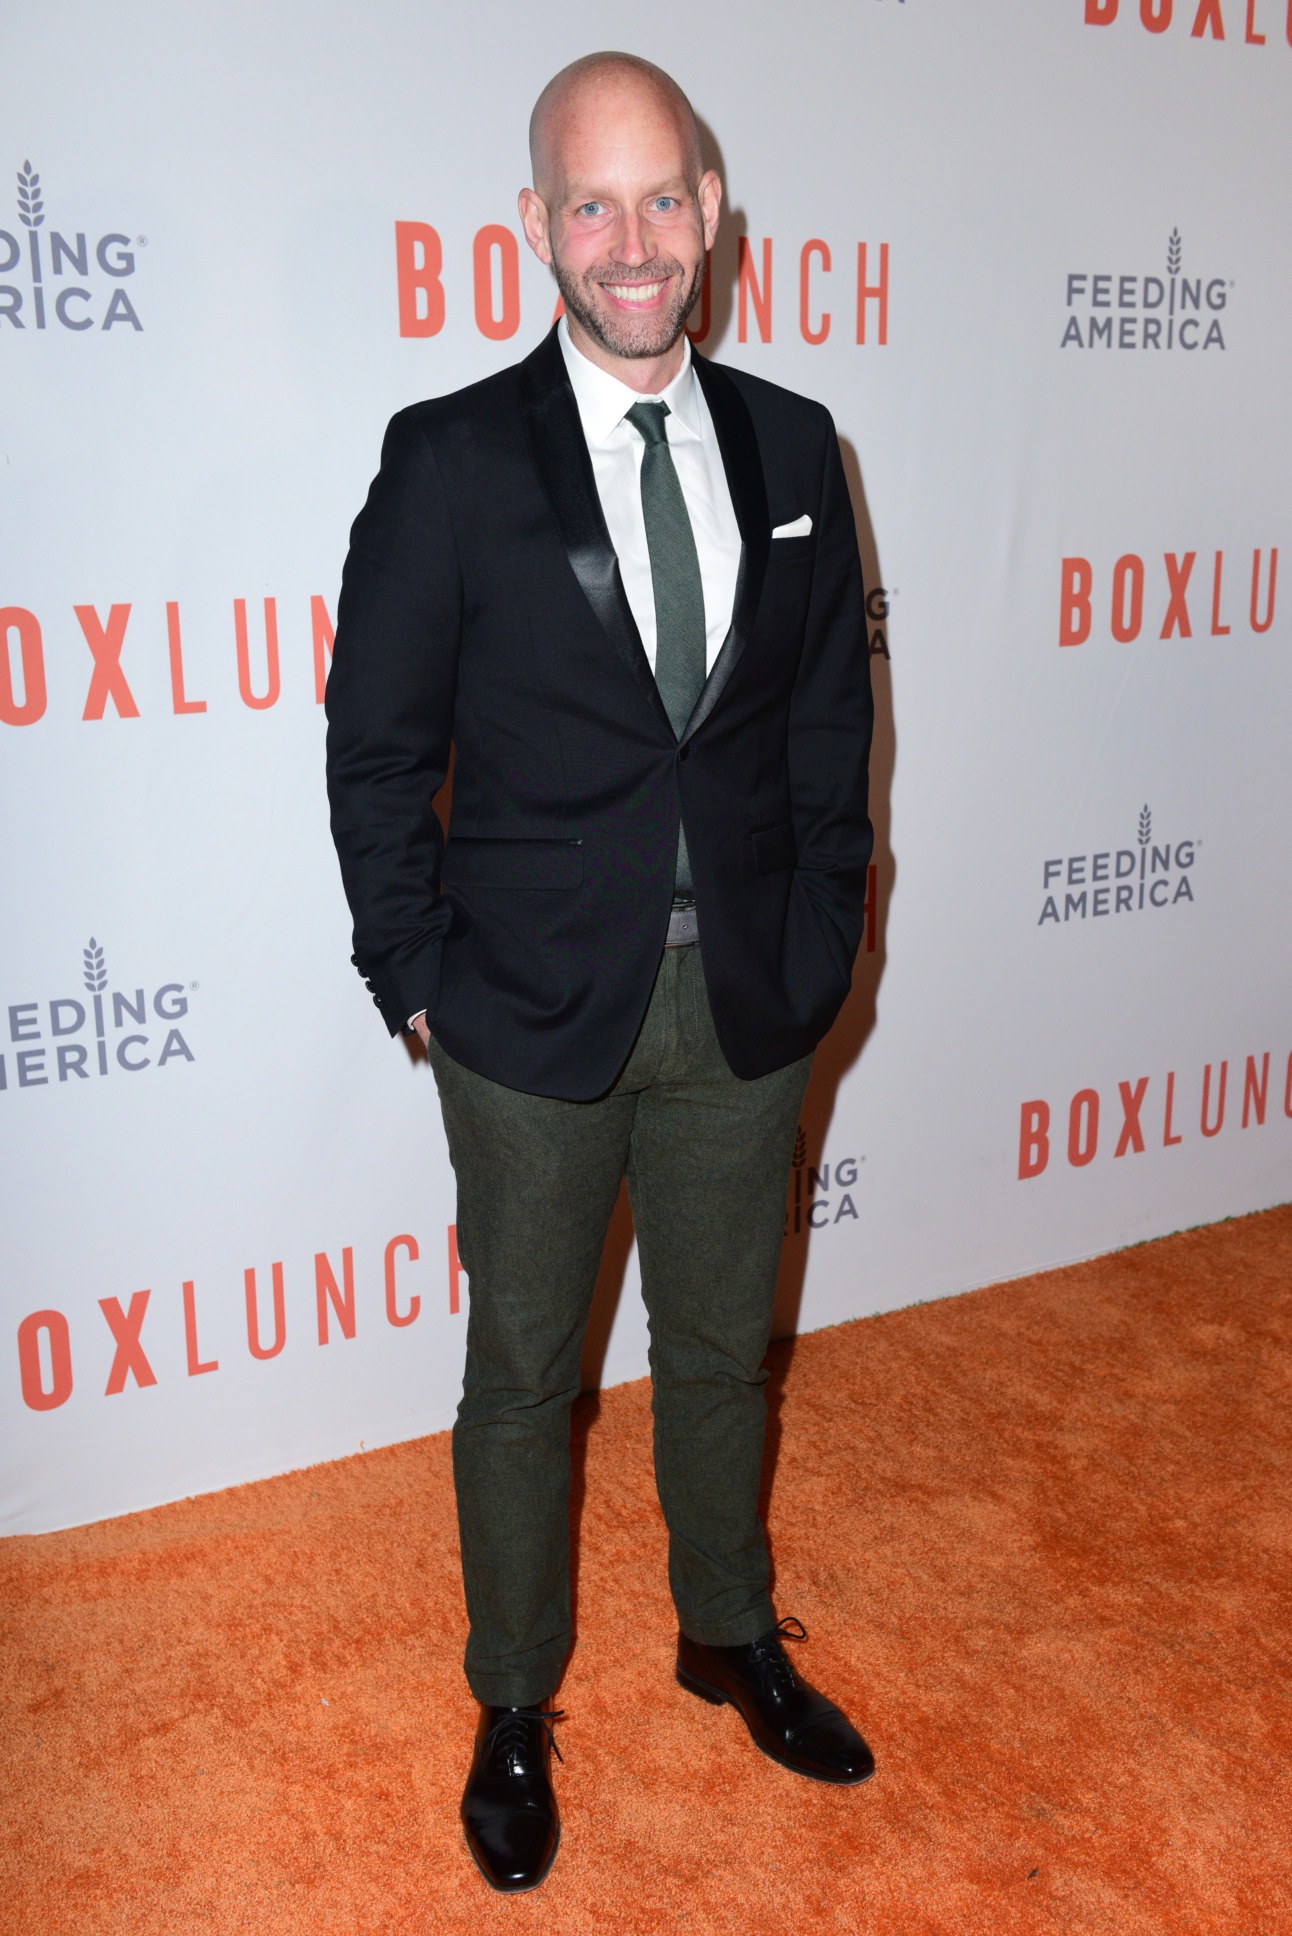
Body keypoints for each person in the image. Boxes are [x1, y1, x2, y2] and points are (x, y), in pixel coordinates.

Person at [325, 50, 876, 1894]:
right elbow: (376, 755)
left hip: (746, 1011)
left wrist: (824, 944)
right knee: (521, 1379)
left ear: (710, 213)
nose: (630, 244)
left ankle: (728, 1634)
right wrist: (419, 981)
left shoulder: (798, 447)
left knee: (722, 1349)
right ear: (534, 226)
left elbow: (826, 732)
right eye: (591, 204)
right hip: (522, 1018)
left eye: (660, 201)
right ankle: (511, 1702)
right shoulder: (451, 458)